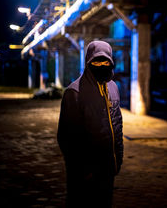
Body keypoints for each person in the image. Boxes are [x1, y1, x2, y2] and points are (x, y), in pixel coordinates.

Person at [57, 40, 124, 207]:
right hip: (85, 173)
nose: (101, 65)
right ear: (88, 62)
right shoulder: (75, 92)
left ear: (111, 62)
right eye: (96, 61)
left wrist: (118, 157)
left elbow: (117, 124)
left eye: (105, 61)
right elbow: (66, 138)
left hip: (108, 167)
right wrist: (83, 169)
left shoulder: (113, 87)